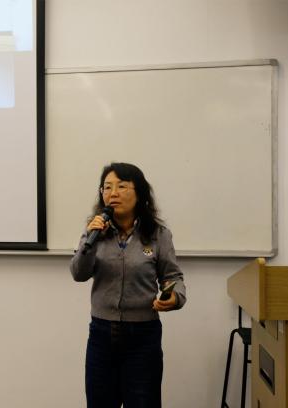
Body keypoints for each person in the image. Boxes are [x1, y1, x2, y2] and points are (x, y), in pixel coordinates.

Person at [70, 162, 187, 408]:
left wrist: (175, 297)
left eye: (121, 186)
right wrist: (90, 241)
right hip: (101, 335)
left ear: (140, 193)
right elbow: (79, 273)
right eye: (107, 187)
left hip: (143, 338)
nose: (112, 193)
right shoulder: (94, 231)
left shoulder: (158, 234)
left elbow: (173, 276)